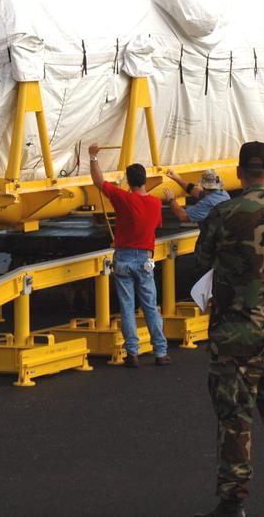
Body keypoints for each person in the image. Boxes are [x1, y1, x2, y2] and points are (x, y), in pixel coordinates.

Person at [195, 142, 264, 517]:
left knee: (235, 418)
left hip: (236, 330)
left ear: (239, 173)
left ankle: (233, 501)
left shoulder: (224, 214)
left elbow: (203, 257)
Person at [88, 142, 171, 367]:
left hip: (123, 256)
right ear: (144, 180)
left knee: (127, 306)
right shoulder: (154, 204)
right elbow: (157, 225)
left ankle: (132, 352)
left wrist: (93, 157)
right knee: (150, 306)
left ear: (128, 181)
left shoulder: (123, 199)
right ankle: (160, 352)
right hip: (145, 258)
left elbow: (98, 182)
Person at [164, 167, 231, 224]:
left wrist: (171, 200)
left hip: (214, 237)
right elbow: (194, 190)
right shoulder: (223, 194)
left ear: (204, 186)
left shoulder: (208, 202)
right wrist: (177, 178)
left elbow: (183, 216)